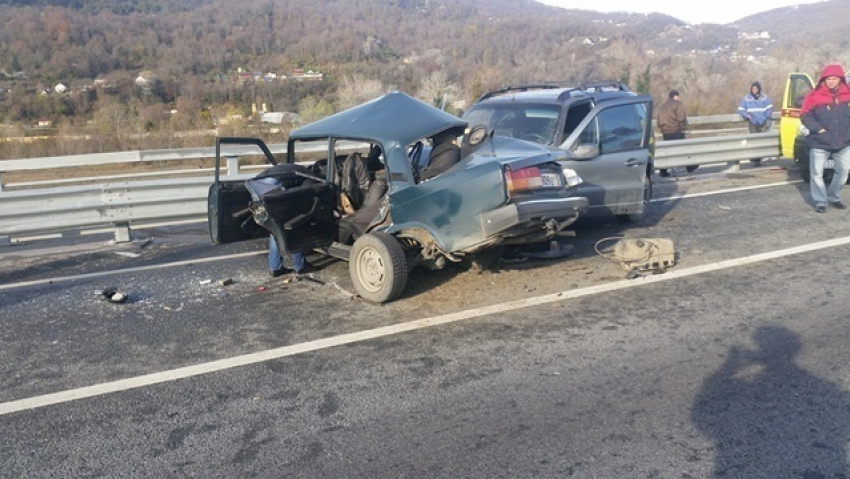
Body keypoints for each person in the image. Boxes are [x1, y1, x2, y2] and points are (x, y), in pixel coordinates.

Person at [800, 64, 850, 214]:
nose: (831, 82)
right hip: (820, 142)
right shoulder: (814, 95)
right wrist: (818, 129)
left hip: (843, 142)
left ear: (840, 79)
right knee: (816, 174)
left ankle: (834, 197)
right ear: (823, 80)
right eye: (828, 79)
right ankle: (821, 202)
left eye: (834, 79)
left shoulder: (847, 94)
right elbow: (805, 115)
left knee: (843, 171)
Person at [656, 90, 696, 177]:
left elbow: (658, 122)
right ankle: (690, 166)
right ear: (675, 96)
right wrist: (682, 128)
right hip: (676, 130)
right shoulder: (678, 104)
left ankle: (663, 170)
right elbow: (681, 118)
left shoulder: (662, 107)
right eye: (678, 96)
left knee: (667, 152)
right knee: (684, 148)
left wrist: (663, 130)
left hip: (666, 132)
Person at [738, 81, 774, 166]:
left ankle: (760, 158)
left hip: (763, 121)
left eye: (756, 88)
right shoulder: (747, 98)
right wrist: (746, 116)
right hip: (753, 121)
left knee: (761, 141)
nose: (754, 90)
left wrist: (767, 116)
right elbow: (740, 109)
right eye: (753, 88)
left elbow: (770, 108)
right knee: (754, 141)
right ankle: (754, 160)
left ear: (759, 89)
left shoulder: (764, 97)